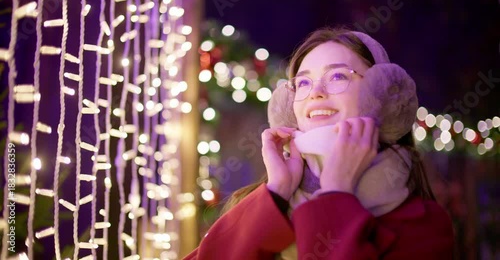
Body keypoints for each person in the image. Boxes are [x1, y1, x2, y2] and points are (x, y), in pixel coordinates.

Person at [183, 28, 454, 260]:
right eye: (303, 82)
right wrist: (277, 192)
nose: (316, 92)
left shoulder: (425, 224)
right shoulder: (257, 203)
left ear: (382, 96)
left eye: (338, 76)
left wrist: (336, 194)